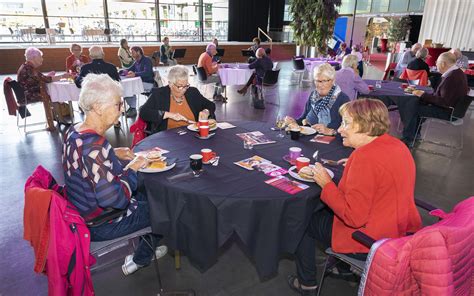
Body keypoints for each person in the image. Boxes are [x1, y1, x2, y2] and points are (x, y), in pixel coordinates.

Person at [287, 99, 422, 295]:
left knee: (302, 219)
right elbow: (382, 171)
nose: (340, 129)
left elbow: (353, 218)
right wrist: (354, 161)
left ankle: (307, 283)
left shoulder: (364, 159)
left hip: (369, 240)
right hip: (400, 229)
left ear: (365, 126)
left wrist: (326, 184)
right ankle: (343, 269)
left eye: (346, 123)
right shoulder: (397, 145)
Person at [63, 73, 167, 276]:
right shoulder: (96, 146)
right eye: (118, 104)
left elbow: (84, 164)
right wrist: (134, 166)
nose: (122, 109)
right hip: (103, 224)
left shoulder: (74, 132)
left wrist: (112, 153)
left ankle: (143, 241)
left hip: (80, 210)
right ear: (99, 108)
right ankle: (141, 258)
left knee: (147, 193)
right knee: (165, 208)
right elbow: (116, 200)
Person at [408, 52, 469, 145]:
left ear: (443, 64)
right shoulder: (458, 73)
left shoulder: (451, 77)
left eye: (437, 62)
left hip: (447, 111)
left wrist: (423, 95)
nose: (436, 64)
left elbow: (444, 102)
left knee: (414, 108)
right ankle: (415, 134)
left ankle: (409, 138)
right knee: (419, 104)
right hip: (454, 110)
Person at [139, 65, 216, 134]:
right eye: (180, 86)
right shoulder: (159, 94)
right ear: (170, 84)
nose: (184, 89)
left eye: (186, 85)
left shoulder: (192, 92)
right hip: (168, 138)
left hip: (193, 135)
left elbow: (210, 105)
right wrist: (167, 114)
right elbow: (143, 112)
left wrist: (206, 111)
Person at [285, 63, 350, 135]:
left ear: (333, 81)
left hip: (331, 141)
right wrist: (294, 122)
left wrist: (330, 131)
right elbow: (303, 118)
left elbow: (348, 129)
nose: (319, 85)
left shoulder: (343, 99)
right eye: (317, 81)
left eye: (324, 81)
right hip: (309, 136)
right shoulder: (313, 95)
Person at [17, 47, 71, 131]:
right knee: (54, 95)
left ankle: (58, 118)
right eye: (40, 57)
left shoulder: (26, 67)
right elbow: (46, 79)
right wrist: (62, 76)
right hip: (30, 95)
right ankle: (58, 119)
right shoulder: (29, 69)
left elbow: (42, 78)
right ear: (34, 58)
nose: (42, 59)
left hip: (26, 94)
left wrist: (51, 77)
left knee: (52, 93)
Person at [124, 46, 155, 117]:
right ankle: (132, 107)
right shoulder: (137, 61)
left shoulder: (146, 60)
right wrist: (121, 71)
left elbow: (147, 73)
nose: (131, 54)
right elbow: (129, 69)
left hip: (148, 83)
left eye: (133, 52)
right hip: (140, 83)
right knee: (127, 87)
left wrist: (135, 74)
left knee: (129, 88)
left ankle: (133, 108)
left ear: (138, 52)